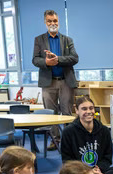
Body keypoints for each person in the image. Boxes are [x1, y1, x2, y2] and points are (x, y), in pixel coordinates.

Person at [33, 9, 79, 150]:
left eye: (55, 21)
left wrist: (58, 59)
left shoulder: (67, 40)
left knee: (66, 112)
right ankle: (55, 140)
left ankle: (68, 141)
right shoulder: (39, 39)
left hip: (65, 81)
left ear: (58, 22)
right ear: (45, 22)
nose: (52, 23)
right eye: (49, 21)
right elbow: (35, 60)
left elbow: (74, 58)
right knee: (50, 113)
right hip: (48, 82)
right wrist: (46, 62)